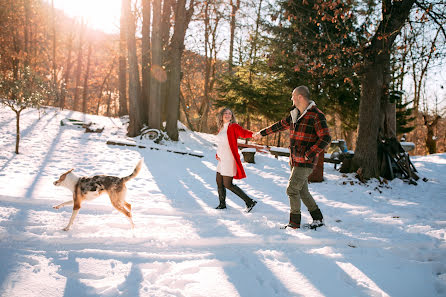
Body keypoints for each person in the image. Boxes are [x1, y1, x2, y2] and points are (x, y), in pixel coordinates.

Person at [254, 86, 331, 229]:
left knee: (291, 190)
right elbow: (280, 125)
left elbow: (325, 138)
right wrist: (262, 133)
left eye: (293, 97)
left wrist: (309, 154)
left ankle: (294, 223)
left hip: (305, 161)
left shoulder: (316, 115)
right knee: (302, 191)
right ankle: (318, 218)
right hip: (295, 160)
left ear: (300, 97)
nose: (292, 99)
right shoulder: (295, 114)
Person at [215, 108, 257, 212]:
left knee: (228, 184)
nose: (228, 115)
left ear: (232, 116)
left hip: (229, 159)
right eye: (225, 113)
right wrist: (217, 154)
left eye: (230, 113)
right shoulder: (221, 128)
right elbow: (222, 143)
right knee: (219, 181)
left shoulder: (233, 126)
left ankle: (249, 201)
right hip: (221, 159)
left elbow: (243, 133)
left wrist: (254, 134)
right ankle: (222, 204)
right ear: (221, 115)